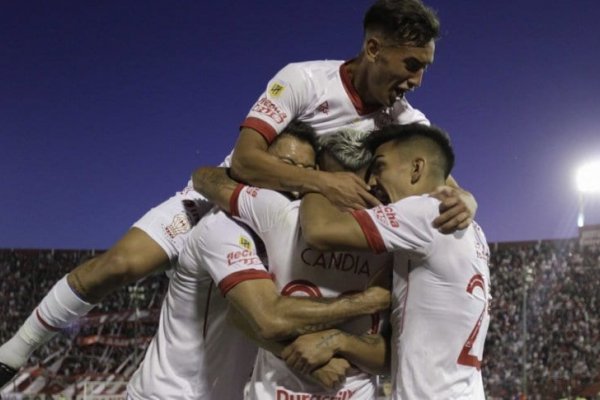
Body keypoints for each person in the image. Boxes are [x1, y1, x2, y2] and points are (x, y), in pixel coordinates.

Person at [0, 0, 474, 387]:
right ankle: (12, 353)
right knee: (119, 265)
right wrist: (321, 182)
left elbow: (442, 187)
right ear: (373, 48)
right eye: (411, 65)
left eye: (425, 68)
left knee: (263, 316)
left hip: (277, 222)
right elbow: (247, 159)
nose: (417, 80)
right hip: (225, 194)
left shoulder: (407, 123)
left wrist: (467, 201)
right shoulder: (305, 80)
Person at [126, 122, 391, 399]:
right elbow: (267, 317)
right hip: (169, 394)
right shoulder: (224, 226)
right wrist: (369, 301)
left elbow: (242, 319)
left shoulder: (288, 225)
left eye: (307, 170)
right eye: (287, 165)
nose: (295, 180)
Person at [298, 123, 492, 399]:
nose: (371, 182)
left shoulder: (423, 213)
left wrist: (319, 179)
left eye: (379, 167)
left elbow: (319, 231)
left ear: (416, 169)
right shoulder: (475, 231)